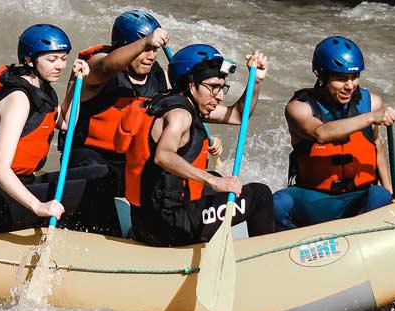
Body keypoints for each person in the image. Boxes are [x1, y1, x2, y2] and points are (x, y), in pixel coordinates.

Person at [115, 44, 275, 247]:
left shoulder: (165, 103)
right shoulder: (180, 116)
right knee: (260, 195)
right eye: (213, 87)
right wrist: (213, 182)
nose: (220, 96)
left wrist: (257, 81)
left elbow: (237, 115)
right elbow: (163, 155)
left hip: (144, 221)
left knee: (215, 179)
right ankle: (264, 259)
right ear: (191, 85)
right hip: (170, 227)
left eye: (222, 87)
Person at [0, 24, 103, 233]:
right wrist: (39, 207)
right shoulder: (19, 99)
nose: (59, 66)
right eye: (51, 59)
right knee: (94, 191)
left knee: (101, 173)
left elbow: (67, 123)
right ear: (29, 59)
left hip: (25, 183)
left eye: (63, 58)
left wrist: (76, 80)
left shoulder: (41, 89)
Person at [272, 36, 395, 230]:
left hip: (358, 197)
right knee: (277, 203)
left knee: (380, 195)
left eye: (354, 77)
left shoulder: (372, 103)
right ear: (322, 77)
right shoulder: (299, 107)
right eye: (341, 79)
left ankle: (363, 241)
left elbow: (376, 147)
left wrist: (390, 190)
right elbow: (320, 133)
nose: (349, 86)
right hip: (315, 199)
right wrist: (370, 118)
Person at [64, 10, 173, 234]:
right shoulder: (95, 66)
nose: (150, 55)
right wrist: (145, 41)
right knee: (100, 175)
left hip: (128, 161)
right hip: (89, 157)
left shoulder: (158, 75)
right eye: (145, 49)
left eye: (154, 50)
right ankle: (106, 234)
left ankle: (155, 232)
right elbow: (105, 67)